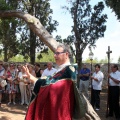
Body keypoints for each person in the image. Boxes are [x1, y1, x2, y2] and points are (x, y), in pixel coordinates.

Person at [24, 44, 100, 120]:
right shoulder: (60, 70)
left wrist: (35, 79)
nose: (54, 56)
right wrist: (31, 77)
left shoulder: (69, 71)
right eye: (55, 53)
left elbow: (51, 86)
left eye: (57, 53)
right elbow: (49, 82)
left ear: (66, 54)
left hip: (61, 114)